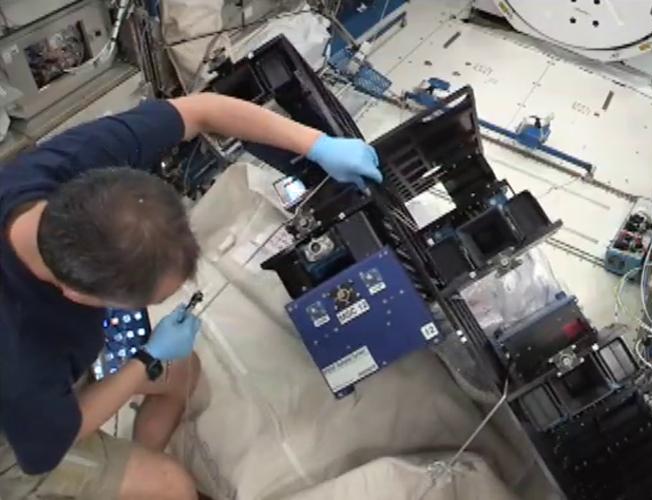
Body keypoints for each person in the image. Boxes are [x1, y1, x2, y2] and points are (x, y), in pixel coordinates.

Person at [0, 93, 382, 500]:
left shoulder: (67, 171)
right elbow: (44, 447)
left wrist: (317, 145)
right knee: (173, 487)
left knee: (181, 370)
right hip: (18, 440)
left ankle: (131, 473)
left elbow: (200, 110)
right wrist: (146, 359)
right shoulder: (21, 351)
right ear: (74, 292)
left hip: (39, 399)